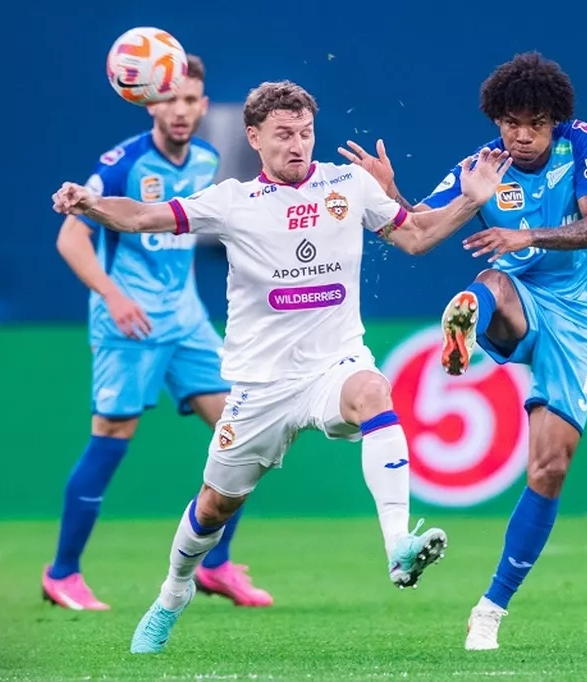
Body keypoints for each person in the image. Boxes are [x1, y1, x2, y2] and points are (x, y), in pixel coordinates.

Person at [52, 79, 513, 653]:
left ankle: (398, 544)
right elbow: (143, 216)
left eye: (305, 133)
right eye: (283, 135)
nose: (297, 145)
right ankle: (173, 592)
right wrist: (91, 204)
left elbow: (417, 237)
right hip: (261, 386)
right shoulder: (231, 201)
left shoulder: (349, 184)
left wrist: (470, 200)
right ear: (254, 137)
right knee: (215, 505)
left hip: (334, 366)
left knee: (374, 390)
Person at [339, 52, 587, 650]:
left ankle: (489, 609)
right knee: (491, 280)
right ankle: (467, 319)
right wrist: (391, 194)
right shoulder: (481, 167)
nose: (522, 135)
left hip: (576, 314)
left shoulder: (581, 143)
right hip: (517, 299)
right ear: (496, 120)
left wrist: (526, 234)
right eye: (511, 122)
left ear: (555, 121)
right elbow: (419, 227)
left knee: (550, 468)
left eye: (535, 124)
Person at [43, 54, 272, 611]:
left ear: (203, 104)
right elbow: (70, 238)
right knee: (112, 434)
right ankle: (63, 573)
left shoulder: (208, 160)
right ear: (149, 101)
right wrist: (113, 295)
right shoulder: (121, 164)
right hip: (130, 321)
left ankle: (214, 565)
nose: (180, 110)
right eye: (169, 99)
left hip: (186, 319)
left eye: (190, 99)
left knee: (244, 431)